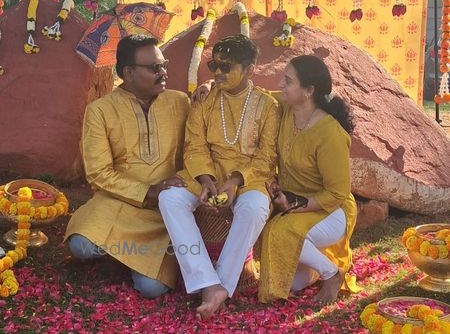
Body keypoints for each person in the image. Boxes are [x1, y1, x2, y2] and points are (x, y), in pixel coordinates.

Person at [159, 34, 281, 319]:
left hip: (249, 177)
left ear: (250, 69)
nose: (217, 72)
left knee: (254, 208)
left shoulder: (267, 106)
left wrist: (236, 181)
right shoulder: (205, 99)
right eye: (214, 65)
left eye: (227, 67)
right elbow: (194, 145)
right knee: (170, 199)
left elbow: (267, 156)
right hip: (206, 172)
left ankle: (218, 286)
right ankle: (207, 281)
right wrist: (205, 179)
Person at [65, 35, 190, 298]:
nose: (164, 73)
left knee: (151, 289)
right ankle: (121, 256)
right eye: (155, 68)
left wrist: (209, 92)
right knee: (81, 245)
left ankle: (121, 257)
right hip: (119, 203)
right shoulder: (100, 110)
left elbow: (198, 149)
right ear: (129, 73)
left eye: (164, 65)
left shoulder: (181, 102)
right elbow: (98, 173)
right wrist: (147, 191)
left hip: (163, 209)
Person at [258, 55, 357, 305]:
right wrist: (209, 86)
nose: (280, 85)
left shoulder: (330, 133)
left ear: (309, 90)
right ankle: (316, 267)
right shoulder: (286, 109)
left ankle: (332, 273)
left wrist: (295, 204)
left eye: (288, 81)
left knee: (278, 230)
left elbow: (337, 193)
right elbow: (257, 95)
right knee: (291, 283)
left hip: (332, 210)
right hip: (294, 204)